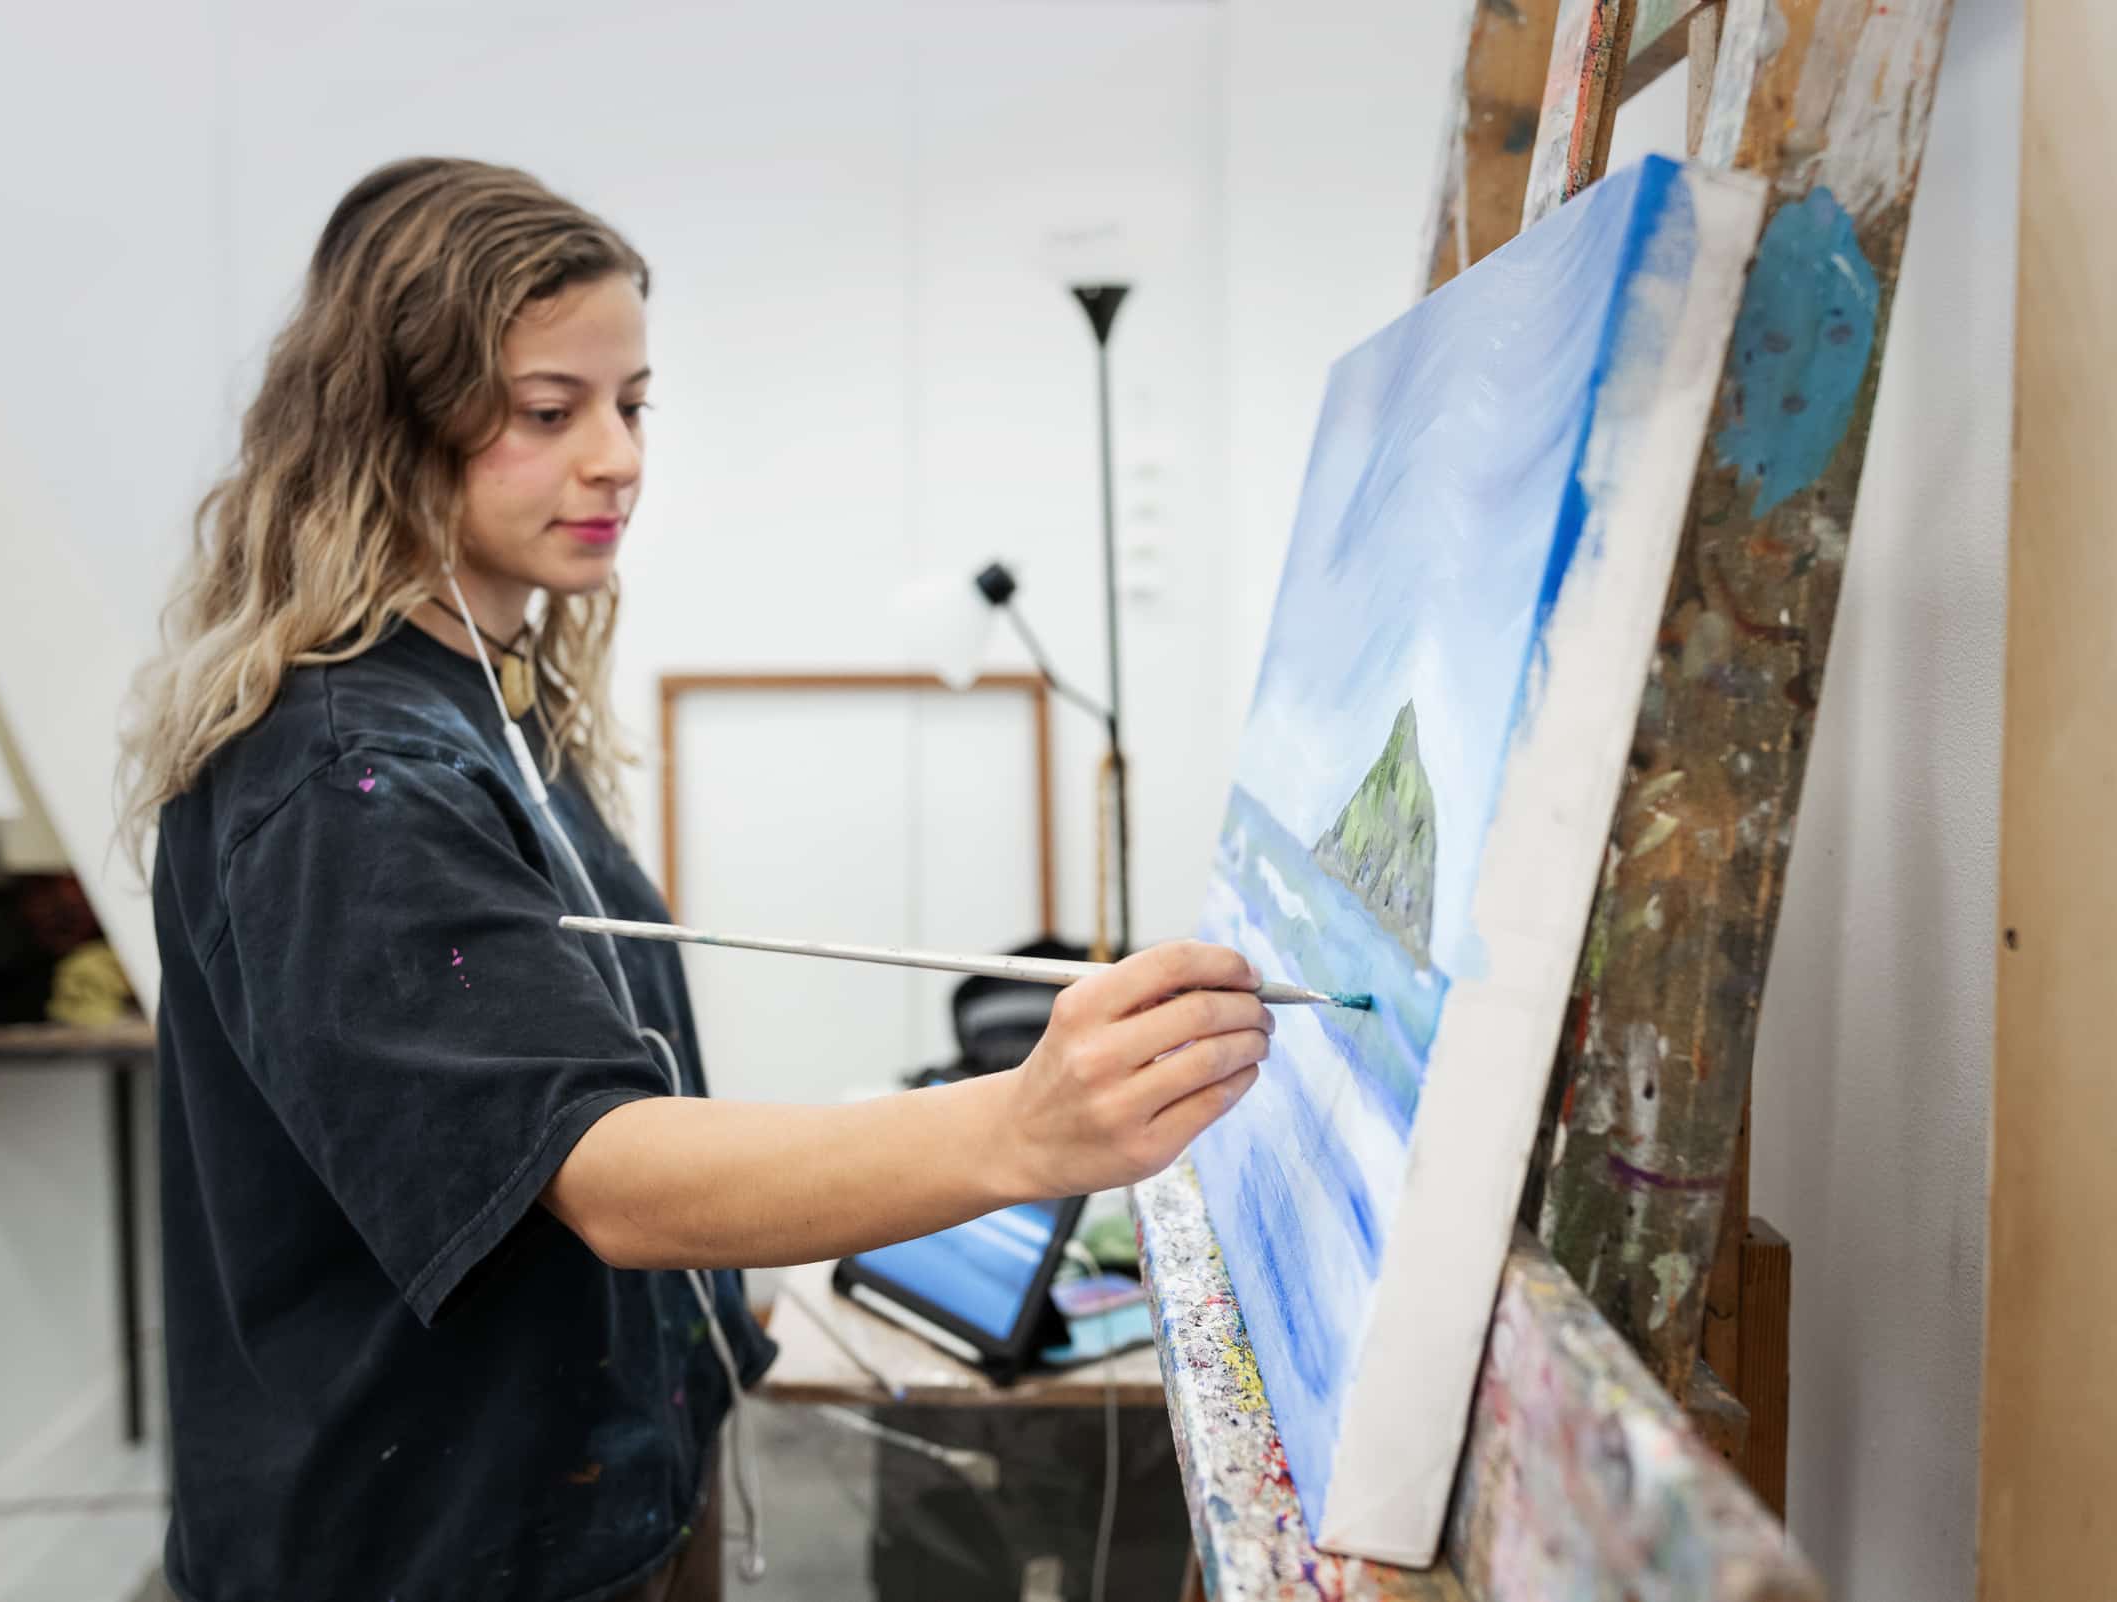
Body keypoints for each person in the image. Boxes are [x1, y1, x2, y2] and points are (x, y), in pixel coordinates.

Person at [118, 155, 1272, 1602]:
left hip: (570, 1515)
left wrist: (717, 1335)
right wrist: (1025, 1128)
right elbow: (601, 1169)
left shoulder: (481, 699)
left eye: (632, 401)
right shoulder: (349, 776)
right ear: (386, 421)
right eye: (550, 410)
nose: (618, 455)